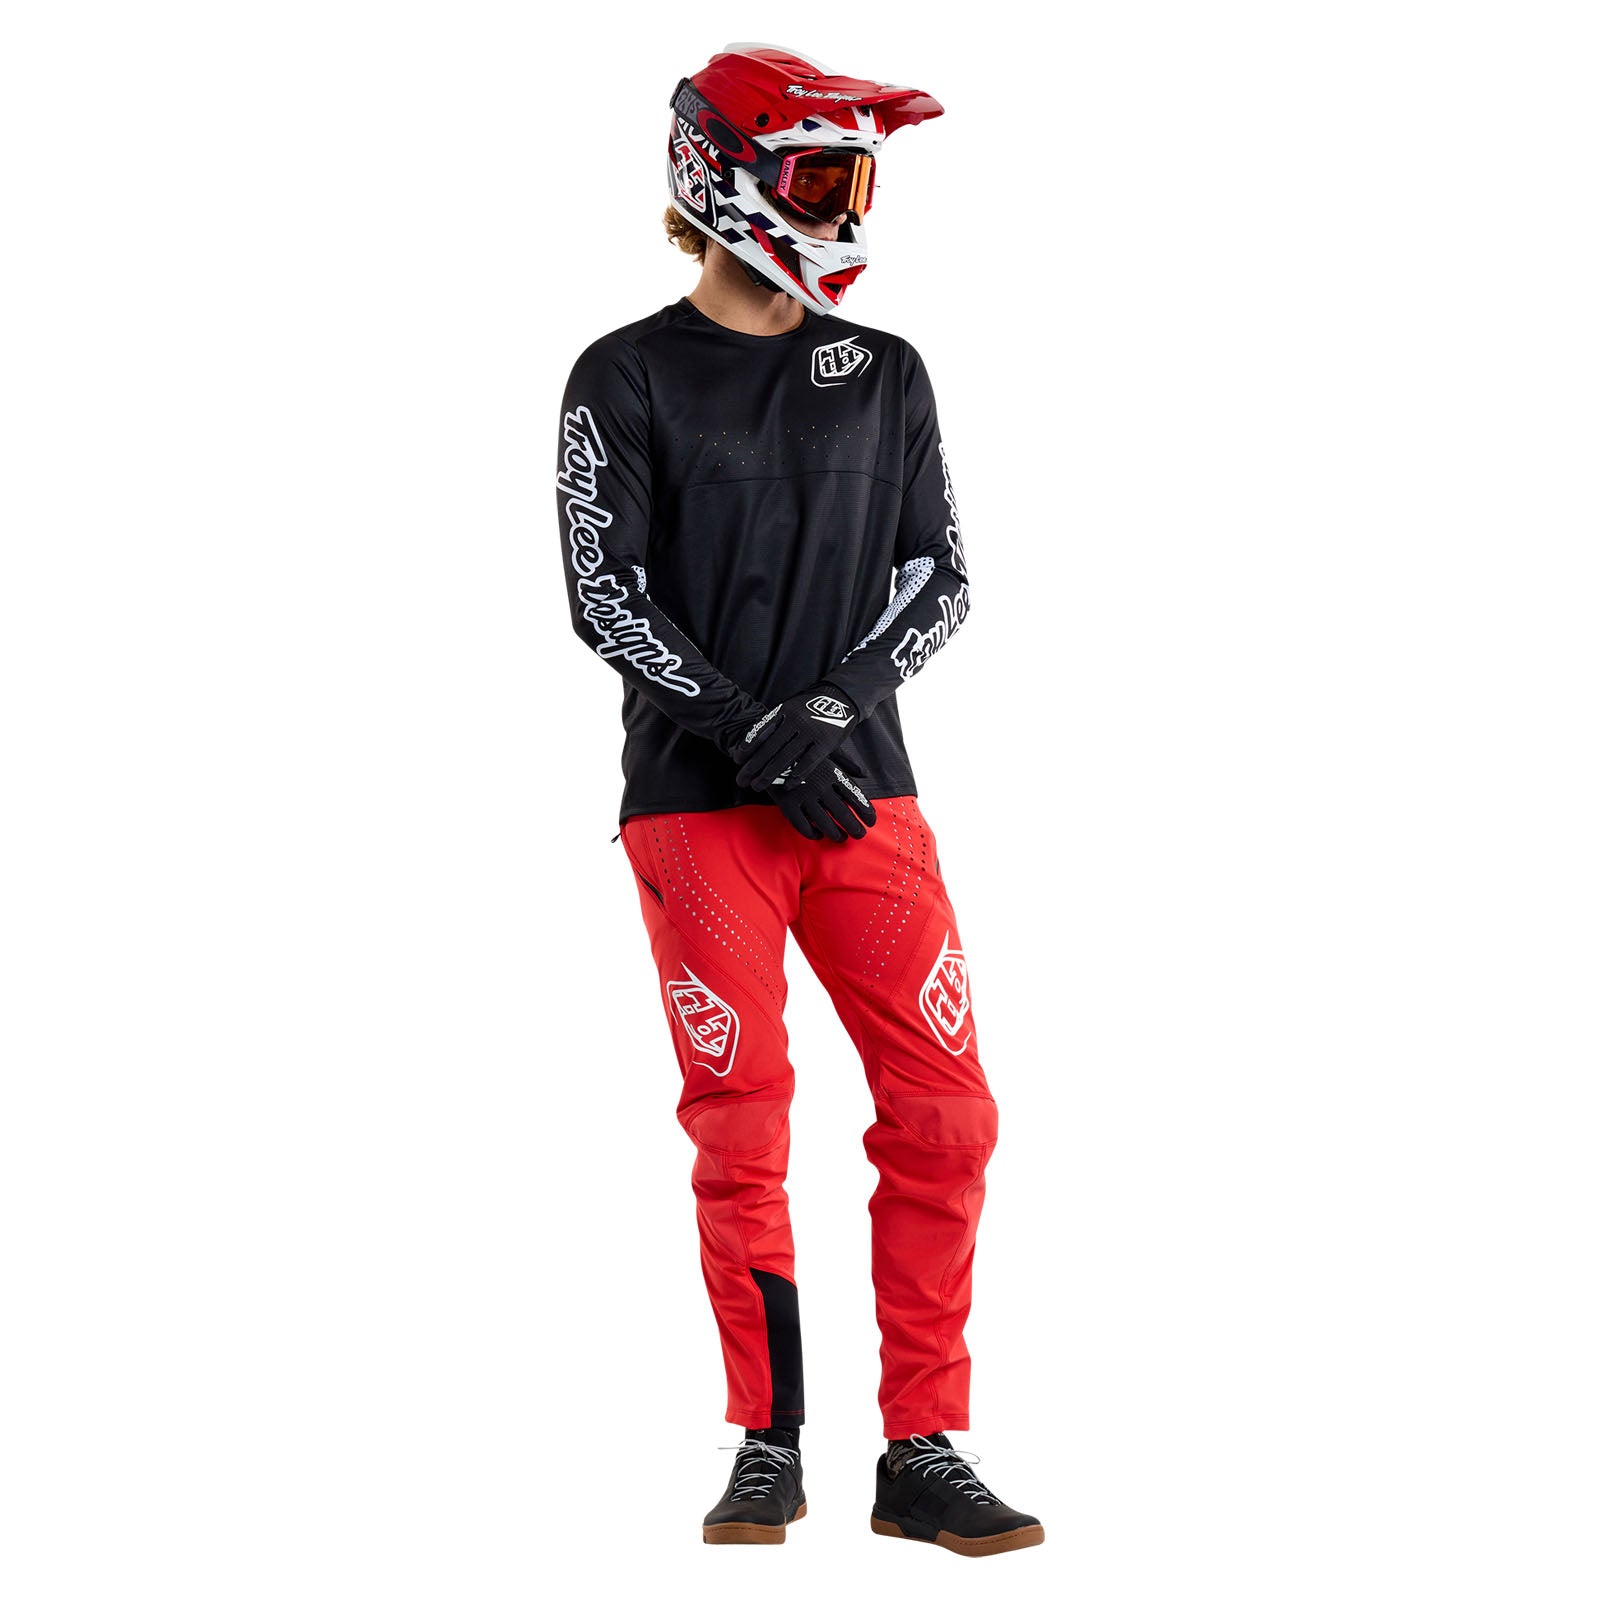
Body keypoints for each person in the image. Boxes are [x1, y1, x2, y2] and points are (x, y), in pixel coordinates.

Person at [556, 43, 1043, 1558]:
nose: (846, 207)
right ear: (723, 177)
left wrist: (828, 715)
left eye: (861, 179)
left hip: (863, 798)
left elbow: (940, 577)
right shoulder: (622, 375)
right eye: (823, 173)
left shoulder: (888, 372)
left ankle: (924, 1448)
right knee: (742, 1122)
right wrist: (750, 730)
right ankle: (768, 1440)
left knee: (948, 1111)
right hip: (696, 812)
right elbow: (603, 590)